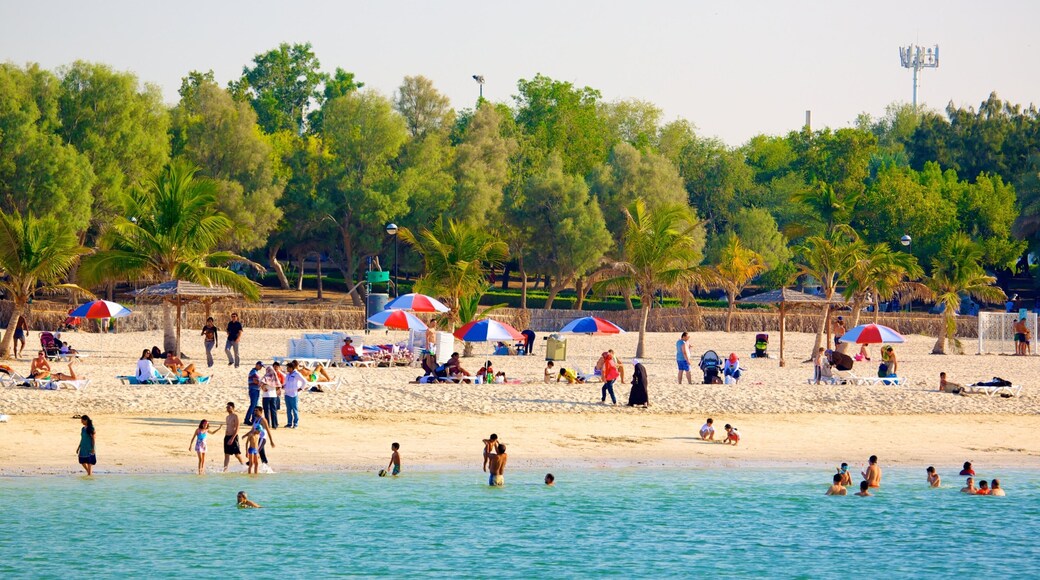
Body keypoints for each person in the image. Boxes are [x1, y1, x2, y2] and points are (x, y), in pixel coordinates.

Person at [241, 407, 275, 471]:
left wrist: (271, 441)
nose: (255, 412)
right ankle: (266, 468)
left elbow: (268, 430)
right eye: (254, 411)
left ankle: (249, 464)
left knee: (256, 452)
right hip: (256, 439)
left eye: (256, 411)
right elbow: (252, 430)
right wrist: (245, 435)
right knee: (262, 453)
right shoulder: (256, 419)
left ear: (261, 411)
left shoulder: (263, 420)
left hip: (262, 438)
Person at [282, 361, 306, 429]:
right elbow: (285, 383)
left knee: (294, 410)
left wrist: (301, 388)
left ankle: (295, 423)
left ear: (292, 368)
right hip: (287, 394)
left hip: (293, 394)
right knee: (288, 410)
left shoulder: (297, 374)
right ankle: (289, 423)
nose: (287, 369)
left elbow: (304, 381)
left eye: (288, 368)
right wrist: (284, 386)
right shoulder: (287, 375)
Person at [223, 402, 244, 472]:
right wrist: (226, 437)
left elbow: (237, 428)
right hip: (227, 436)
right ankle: (225, 469)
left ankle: (243, 465)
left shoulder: (236, 416)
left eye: (229, 407)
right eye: (227, 407)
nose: (227, 408)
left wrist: (232, 438)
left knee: (237, 454)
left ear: (233, 407)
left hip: (233, 437)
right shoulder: (227, 417)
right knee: (226, 454)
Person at [260, 365, 280, 429]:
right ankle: (275, 425)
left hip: (266, 396)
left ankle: (267, 425)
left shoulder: (265, 377)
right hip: (274, 396)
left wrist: (263, 388)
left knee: (266, 411)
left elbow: (261, 383)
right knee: (273, 411)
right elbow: (278, 385)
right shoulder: (275, 376)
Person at [245, 361, 263, 426]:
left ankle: (253, 419)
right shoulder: (254, 372)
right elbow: (255, 381)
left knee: (254, 405)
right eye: (260, 366)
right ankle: (247, 419)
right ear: (257, 365)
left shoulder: (255, 372)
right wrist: (262, 384)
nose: (261, 367)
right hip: (254, 390)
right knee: (253, 405)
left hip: (255, 390)